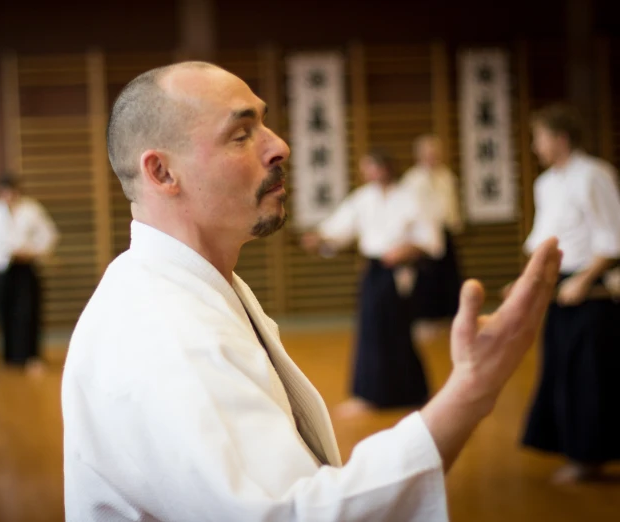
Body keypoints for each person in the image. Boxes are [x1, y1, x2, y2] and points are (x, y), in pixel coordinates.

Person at [61, 61, 561, 521]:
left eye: (264, 122)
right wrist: (471, 392)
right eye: (240, 134)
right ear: (162, 172)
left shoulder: (186, 288)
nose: (279, 145)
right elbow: (287, 515)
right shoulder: (163, 333)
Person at [514, 104, 620, 484]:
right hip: (562, 287)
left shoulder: (594, 174)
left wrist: (584, 279)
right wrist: (530, 279)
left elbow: (612, 237)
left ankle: (591, 457)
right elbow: (543, 241)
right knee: (560, 370)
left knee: (590, 376)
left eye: (539, 137)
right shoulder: (546, 184)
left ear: (560, 138)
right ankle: (575, 450)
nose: (534, 146)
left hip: (593, 291)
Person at [300, 149, 442, 418]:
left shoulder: (410, 197)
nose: (369, 173)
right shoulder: (364, 198)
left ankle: (414, 392)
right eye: (366, 168)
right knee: (371, 330)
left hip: (402, 270)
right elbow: (339, 228)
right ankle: (370, 395)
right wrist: (321, 238)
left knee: (400, 331)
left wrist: (410, 248)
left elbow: (431, 239)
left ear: (387, 167)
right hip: (375, 270)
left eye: (373, 167)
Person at [0, 175, 58, 374]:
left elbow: (48, 234)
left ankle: (31, 356)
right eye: (4, 193)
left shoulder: (31, 209)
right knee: (5, 311)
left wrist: (33, 251)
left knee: (29, 312)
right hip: (3, 268)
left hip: (26, 267)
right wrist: (4, 255)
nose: (9, 196)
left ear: (17, 192)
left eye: (12, 192)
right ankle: (10, 357)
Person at [402, 135, 463, 329]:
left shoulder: (446, 176)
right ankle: (424, 317)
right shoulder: (412, 179)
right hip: (422, 234)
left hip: (444, 230)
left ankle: (450, 315)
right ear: (418, 155)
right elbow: (408, 210)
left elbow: (452, 204)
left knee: (449, 274)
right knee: (425, 276)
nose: (432, 156)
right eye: (427, 153)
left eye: (434, 152)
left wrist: (455, 223)